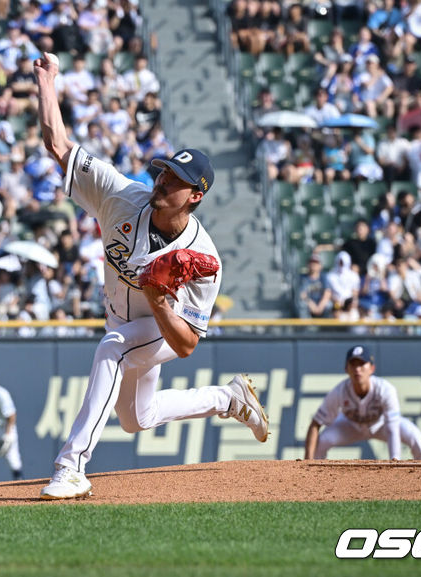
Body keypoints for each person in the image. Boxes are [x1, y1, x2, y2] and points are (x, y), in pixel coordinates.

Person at [33, 52, 269, 500]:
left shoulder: (203, 257)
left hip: (160, 329)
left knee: (111, 351)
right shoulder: (122, 196)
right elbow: (57, 146)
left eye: (175, 179)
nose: (162, 181)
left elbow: (185, 345)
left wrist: (159, 299)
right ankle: (229, 399)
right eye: (163, 171)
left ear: (195, 196)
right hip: (122, 322)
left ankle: (71, 466)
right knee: (135, 418)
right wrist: (48, 81)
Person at [304, 346, 421, 460]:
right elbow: (316, 423)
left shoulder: (385, 389)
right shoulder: (339, 392)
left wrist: (395, 459)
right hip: (351, 427)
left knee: (414, 434)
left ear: (372, 368)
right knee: (324, 440)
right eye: (353, 364)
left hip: (381, 425)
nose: (357, 369)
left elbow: (393, 428)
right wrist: (307, 461)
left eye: (361, 364)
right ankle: (312, 476)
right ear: (346, 369)